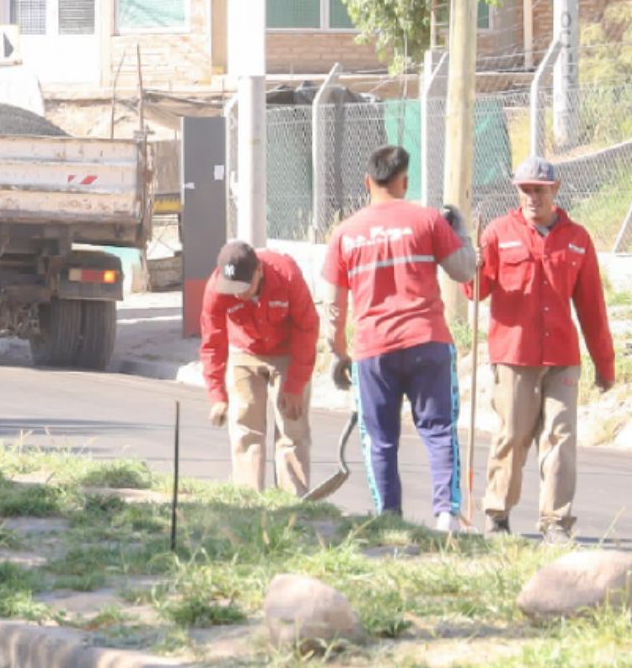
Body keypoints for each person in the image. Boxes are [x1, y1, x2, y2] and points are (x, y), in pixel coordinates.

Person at [321, 144, 480, 529]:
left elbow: (334, 307)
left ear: (368, 181)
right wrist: (462, 232)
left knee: (379, 438)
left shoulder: (346, 233)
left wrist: (339, 354)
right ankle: (446, 516)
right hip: (428, 342)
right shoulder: (427, 222)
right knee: (439, 429)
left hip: (373, 351)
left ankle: (388, 518)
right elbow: (464, 271)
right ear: (404, 181)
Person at [466, 157, 615, 540]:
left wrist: (604, 364)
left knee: (561, 439)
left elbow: (592, 306)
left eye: (540, 189)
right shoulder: (498, 232)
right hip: (514, 354)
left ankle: (556, 522)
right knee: (512, 434)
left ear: (556, 190)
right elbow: (476, 291)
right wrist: (475, 266)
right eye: (526, 190)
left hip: (562, 357)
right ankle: (497, 514)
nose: (532, 197)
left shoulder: (577, 239)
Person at [200, 238, 321, 494]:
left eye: (244, 286)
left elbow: (307, 327)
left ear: (259, 271)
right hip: (244, 350)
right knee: (245, 426)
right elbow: (212, 342)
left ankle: (292, 502)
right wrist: (217, 395)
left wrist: (295, 384)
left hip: (287, 351)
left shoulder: (286, 274)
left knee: (292, 427)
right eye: (231, 287)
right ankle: (248, 501)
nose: (237, 293)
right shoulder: (216, 288)